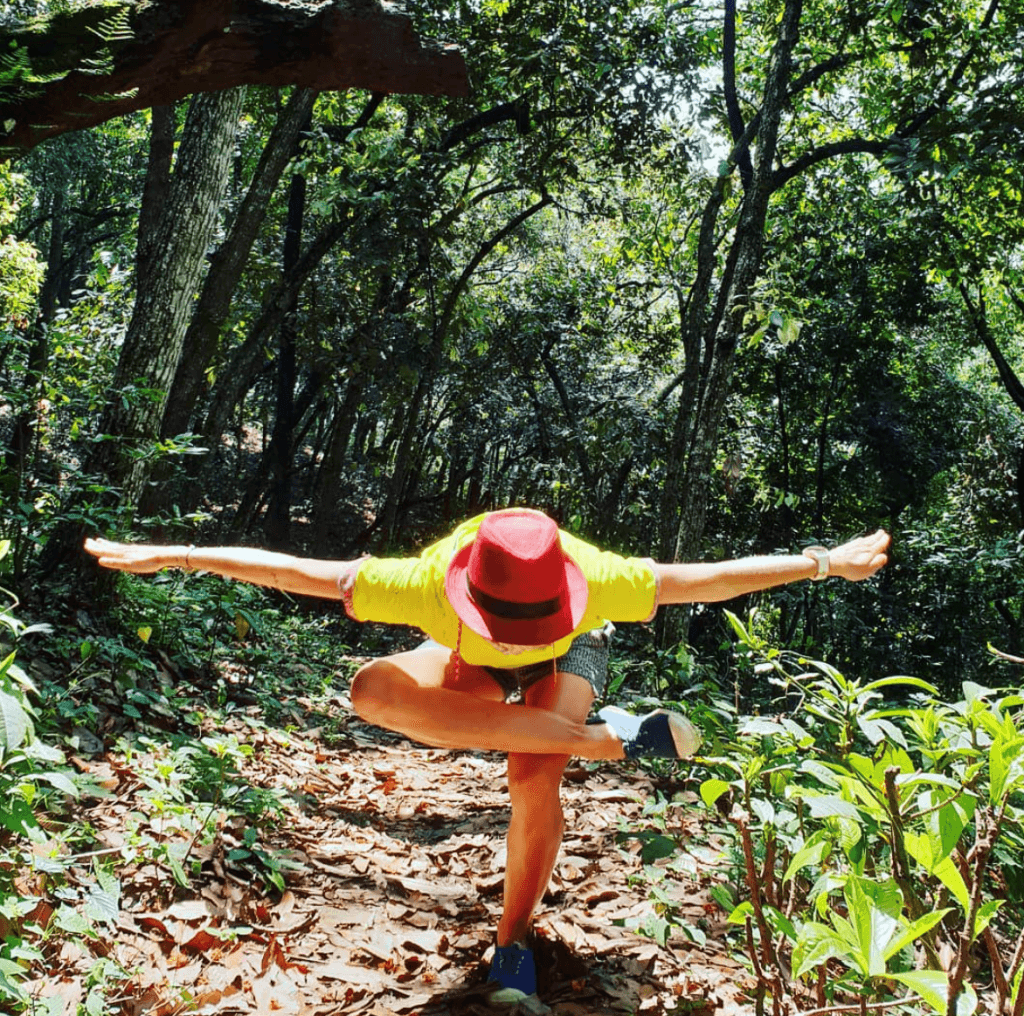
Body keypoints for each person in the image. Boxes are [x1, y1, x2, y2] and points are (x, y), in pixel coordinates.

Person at [85, 510, 889, 1006]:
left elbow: (708, 580)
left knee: (531, 773)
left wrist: (828, 561)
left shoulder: (600, 581)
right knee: (372, 689)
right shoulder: (426, 582)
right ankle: (610, 738)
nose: (519, 632)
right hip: (462, 654)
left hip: (572, 659)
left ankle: (513, 941)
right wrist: (176, 554)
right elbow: (293, 572)